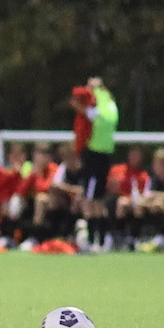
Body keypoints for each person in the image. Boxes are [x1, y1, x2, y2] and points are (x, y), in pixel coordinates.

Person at [69, 77, 118, 251]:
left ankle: (94, 241)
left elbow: (94, 116)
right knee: (97, 200)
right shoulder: (111, 104)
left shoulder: (101, 104)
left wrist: (78, 106)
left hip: (94, 155)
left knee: (91, 200)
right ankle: (100, 240)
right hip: (101, 155)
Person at [107, 145, 149, 250]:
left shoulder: (143, 175)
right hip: (118, 200)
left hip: (136, 201)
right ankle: (118, 236)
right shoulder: (117, 170)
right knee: (121, 204)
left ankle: (133, 238)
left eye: (138, 155)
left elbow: (145, 193)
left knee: (138, 208)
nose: (135, 157)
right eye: (133, 154)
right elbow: (110, 187)